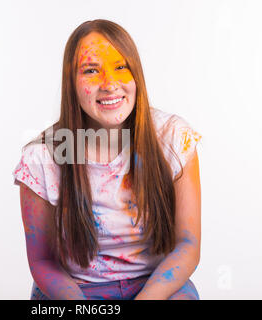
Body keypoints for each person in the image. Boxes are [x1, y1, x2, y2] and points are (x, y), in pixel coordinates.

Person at [12, 19, 202, 300]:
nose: (109, 83)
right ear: (71, 84)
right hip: (76, 291)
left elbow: (188, 245)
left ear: (136, 73)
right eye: (91, 71)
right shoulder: (41, 158)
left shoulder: (174, 139)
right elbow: (42, 262)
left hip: (158, 287)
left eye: (120, 67)